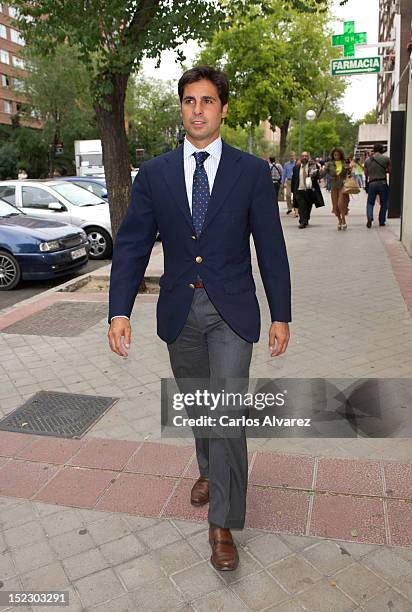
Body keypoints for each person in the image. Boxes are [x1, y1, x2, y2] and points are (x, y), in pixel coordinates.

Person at [107, 66, 291, 572]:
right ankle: (210, 469)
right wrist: (119, 310)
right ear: (182, 107)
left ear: (223, 109)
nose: (197, 110)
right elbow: (131, 246)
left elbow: (271, 249)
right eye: (189, 101)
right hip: (179, 311)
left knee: (226, 413)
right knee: (197, 406)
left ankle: (223, 523)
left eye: (207, 101)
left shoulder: (251, 172)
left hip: (232, 310)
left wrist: (282, 314)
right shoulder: (156, 173)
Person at [291, 151, 324, 228]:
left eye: (306, 156)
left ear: (308, 157)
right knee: (301, 206)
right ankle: (303, 221)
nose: (304, 157)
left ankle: (305, 219)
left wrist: (316, 173)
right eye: (303, 156)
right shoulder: (296, 168)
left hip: (309, 190)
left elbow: (318, 177)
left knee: (308, 206)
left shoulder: (312, 166)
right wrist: (293, 190)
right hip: (300, 190)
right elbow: (294, 179)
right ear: (300, 157)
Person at [321, 147, 351, 231]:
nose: (336, 156)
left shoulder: (344, 163)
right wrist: (321, 172)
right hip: (333, 186)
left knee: (340, 203)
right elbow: (323, 174)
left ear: (340, 155)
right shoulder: (329, 164)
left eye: (338, 155)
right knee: (335, 206)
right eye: (335, 155)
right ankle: (339, 220)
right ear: (332, 155)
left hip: (342, 184)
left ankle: (344, 220)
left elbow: (349, 173)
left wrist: (349, 169)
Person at [364, 143, 392, 228]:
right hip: (382, 183)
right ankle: (381, 220)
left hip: (372, 183)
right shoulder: (386, 159)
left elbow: (366, 173)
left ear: (374, 149)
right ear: (382, 150)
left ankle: (369, 217)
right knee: (384, 203)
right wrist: (383, 170)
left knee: (370, 202)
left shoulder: (367, 160)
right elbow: (390, 171)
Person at [281, 152, 297, 216]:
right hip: (289, 181)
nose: (291, 157)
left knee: (296, 196)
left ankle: (296, 209)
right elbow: (284, 174)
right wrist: (282, 182)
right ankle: (289, 208)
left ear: (295, 156)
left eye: (293, 156)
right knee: (288, 195)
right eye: (290, 156)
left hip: (295, 181)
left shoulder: (297, 164)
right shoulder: (286, 164)